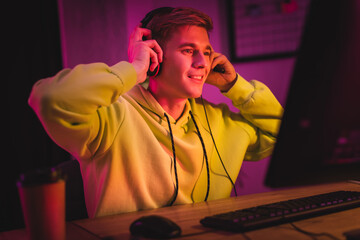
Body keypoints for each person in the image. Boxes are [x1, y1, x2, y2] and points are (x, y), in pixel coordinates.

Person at [28, 7, 283, 218]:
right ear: (155, 57)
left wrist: (234, 85)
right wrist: (133, 69)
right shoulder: (113, 114)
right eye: (187, 50)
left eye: (207, 52)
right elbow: (50, 99)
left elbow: (283, 134)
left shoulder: (218, 121)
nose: (203, 62)